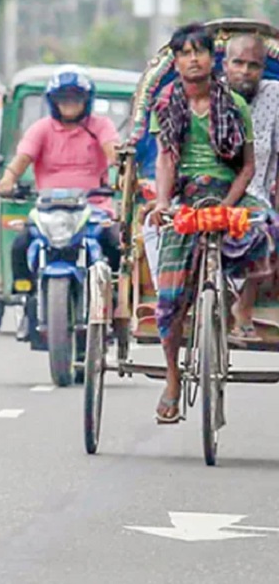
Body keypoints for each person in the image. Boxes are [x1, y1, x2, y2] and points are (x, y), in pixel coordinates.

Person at [147, 22, 276, 424]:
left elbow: (249, 166)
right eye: (184, 53)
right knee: (168, 302)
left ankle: (237, 298)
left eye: (199, 51)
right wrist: (164, 203)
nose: (192, 59)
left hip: (230, 189)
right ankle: (171, 378)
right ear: (178, 60)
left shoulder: (233, 103)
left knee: (266, 228)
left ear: (211, 58)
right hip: (185, 194)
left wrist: (230, 203)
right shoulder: (167, 101)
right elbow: (166, 158)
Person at [0, 66, 122, 339]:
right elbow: (21, 161)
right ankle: (27, 300)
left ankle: (117, 303)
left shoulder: (101, 126)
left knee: (114, 241)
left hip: (94, 206)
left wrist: (121, 174)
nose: (69, 103)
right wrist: (7, 181)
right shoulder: (41, 129)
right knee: (21, 243)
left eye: (76, 97)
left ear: (87, 100)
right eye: (63, 98)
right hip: (48, 208)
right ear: (53, 101)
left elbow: (114, 153)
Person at [225, 34, 279, 206]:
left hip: (255, 203)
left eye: (253, 65)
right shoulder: (210, 96)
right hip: (208, 196)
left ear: (263, 69)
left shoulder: (274, 95)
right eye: (238, 63)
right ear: (225, 65)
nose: (245, 71)